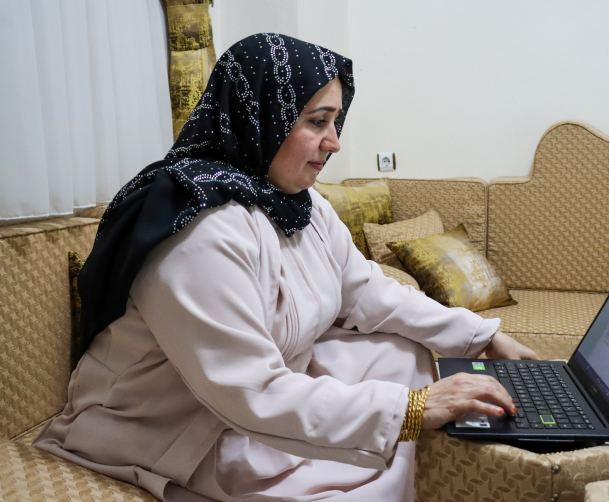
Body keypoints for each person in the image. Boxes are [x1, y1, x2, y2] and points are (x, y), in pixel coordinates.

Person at [34, 33, 539, 502]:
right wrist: (412, 409)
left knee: (401, 351)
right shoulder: (198, 232)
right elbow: (251, 391)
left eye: (335, 122)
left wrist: (483, 336)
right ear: (261, 118)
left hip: (263, 380)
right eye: (317, 122)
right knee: (366, 466)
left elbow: (365, 290)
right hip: (180, 422)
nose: (334, 141)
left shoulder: (300, 203)